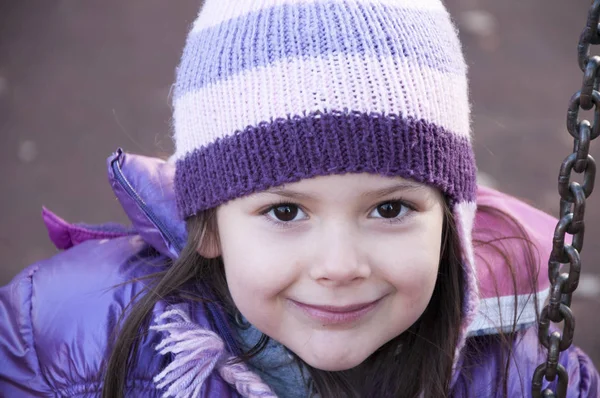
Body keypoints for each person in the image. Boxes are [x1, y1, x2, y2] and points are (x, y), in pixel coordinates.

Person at [1, 0, 599, 396]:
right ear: (209, 226)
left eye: (389, 209)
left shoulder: (525, 372)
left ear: (450, 220)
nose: (339, 267)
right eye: (285, 212)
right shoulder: (68, 325)